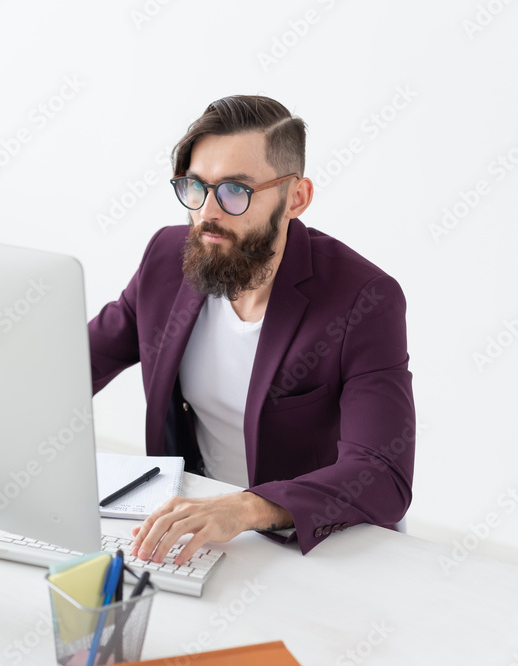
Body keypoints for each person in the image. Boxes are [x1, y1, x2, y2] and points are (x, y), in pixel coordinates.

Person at [87, 95, 416, 563]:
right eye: (196, 186)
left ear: (295, 198)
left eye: (235, 191)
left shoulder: (363, 298)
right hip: (201, 525)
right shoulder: (167, 256)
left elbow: (382, 474)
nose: (207, 213)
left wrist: (245, 508)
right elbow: (77, 364)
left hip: (320, 541)